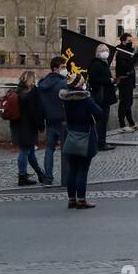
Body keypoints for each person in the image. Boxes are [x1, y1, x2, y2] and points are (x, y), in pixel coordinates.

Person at [60, 72, 103, 209]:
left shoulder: (66, 99)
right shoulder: (85, 100)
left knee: (72, 169)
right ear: (80, 84)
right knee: (83, 170)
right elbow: (99, 113)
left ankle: (71, 199)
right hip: (85, 135)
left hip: (71, 135)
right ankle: (81, 200)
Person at [7, 70, 48, 186]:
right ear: (31, 79)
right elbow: (37, 112)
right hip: (28, 125)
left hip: (17, 124)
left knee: (29, 151)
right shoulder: (33, 92)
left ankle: (39, 173)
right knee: (25, 151)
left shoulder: (17, 91)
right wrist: (41, 126)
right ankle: (22, 176)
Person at [37, 57, 69, 188]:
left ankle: (48, 178)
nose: (65, 69)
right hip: (63, 120)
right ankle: (67, 177)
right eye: (63, 67)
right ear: (56, 68)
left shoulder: (43, 83)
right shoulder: (63, 83)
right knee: (66, 149)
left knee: (49, 149)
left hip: (49, 120)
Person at [87, 44, 117, 151]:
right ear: (98, 52)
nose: (106, 52)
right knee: (101, 121)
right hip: (101, 97)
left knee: (103, 121)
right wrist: (109, 80)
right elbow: (93, 80)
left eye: (107, 50)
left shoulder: (103, 63)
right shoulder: (96, 64)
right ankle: (100, 143)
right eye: (103, 50)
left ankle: (102, 141)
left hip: (105, 97)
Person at [115, 32, 138, 133]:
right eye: (129, 41)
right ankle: (122, 125)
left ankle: (131, 123)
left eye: (131, 41)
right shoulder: (121, 52)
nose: (131, 43)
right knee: (124, 103)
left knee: (129, 102)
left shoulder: (128, 51)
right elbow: (126, 67)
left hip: (129, 81)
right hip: (124, 81)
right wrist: (134, 59)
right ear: (123, 41)